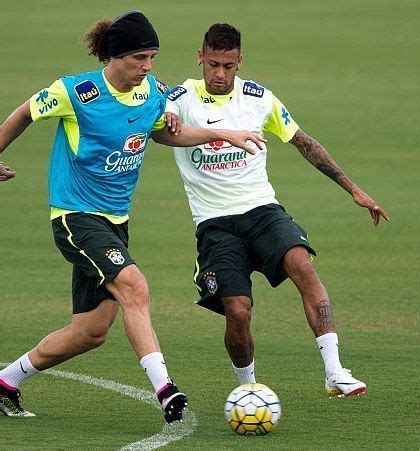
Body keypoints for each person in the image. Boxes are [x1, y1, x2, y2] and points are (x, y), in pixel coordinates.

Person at [0, 12, 263, 421]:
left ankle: (4, 382)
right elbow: (23, 114)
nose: (148, 66)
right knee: (135, 287)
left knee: (90, 332)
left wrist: (221, 133)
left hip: (115, 223)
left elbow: (166, 132)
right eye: (140, 58)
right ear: (115, 56)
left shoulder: (153, 91)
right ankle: (166, 389)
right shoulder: (76, 91)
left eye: (152, 57)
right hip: (75, 216)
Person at [165, 23, 389, 397]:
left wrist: (353, 189)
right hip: (215, 223)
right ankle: (248, 389)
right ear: (200, 58)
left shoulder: (259, 99)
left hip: (262, 210)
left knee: (303, 265)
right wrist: (170, 119)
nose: (220, 74)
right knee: (237, 311)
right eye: (213, 64)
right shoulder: (180, 98)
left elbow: (304, 142)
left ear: (240, 62)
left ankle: (335, 371)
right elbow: (162, 129)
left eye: (229, 66)